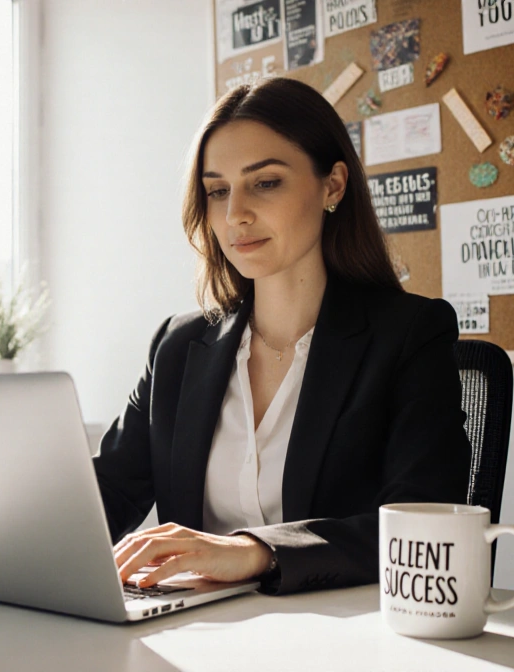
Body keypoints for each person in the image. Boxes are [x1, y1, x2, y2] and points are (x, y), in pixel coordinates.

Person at [93, 76, 471, 596]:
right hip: (193, 636)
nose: (235, 214)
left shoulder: (410, 336)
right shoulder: (177, 348)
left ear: (333, 185)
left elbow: (426, 526)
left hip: (339, 639)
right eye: (217, 190)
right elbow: (105, 494)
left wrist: (257, 551)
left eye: (265, 182)